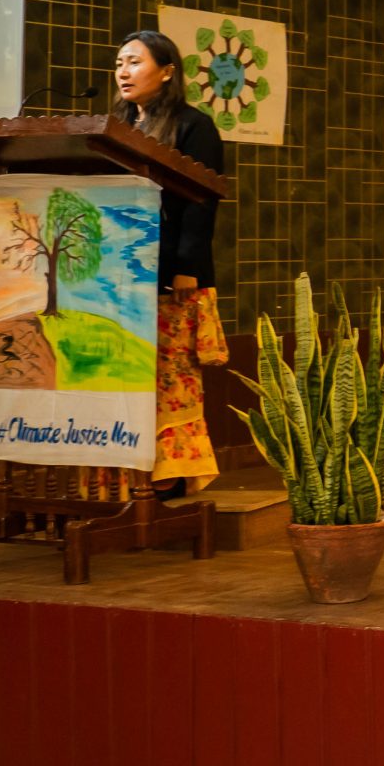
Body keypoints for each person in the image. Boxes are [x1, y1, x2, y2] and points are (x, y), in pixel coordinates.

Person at [115, 31, 226, 494]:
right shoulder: (114, 128)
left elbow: (201, 201)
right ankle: (125, 474)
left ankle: (173, 475)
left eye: (134, 62)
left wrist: (187, 266)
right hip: (119, 275)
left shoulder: (193, 126)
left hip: (171, 273)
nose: (123, 71)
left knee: (169, 378)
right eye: (119, 63)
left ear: (166, 72)